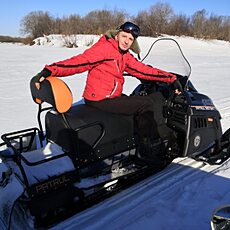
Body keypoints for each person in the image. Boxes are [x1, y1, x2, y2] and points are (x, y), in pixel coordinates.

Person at [34, 21, 181, 163]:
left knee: (132, 99)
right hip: (101, 99)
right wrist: (50, 70)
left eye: (131, 39)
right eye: (124, 36)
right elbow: (79, 62)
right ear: (116, 35)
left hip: (107, 97)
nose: (127, 41)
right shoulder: (104, 49)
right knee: (146, 103)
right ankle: (148, 149)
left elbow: (142, 70)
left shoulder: (123, 55)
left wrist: (170, 78)